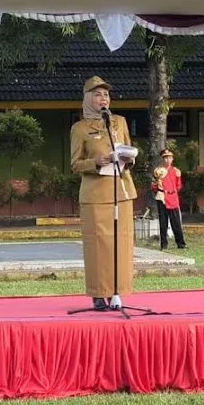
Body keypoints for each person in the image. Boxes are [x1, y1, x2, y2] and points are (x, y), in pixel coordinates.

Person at [70, 76, 137, 311]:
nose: (103, 99)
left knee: (122, 243)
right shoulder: (79, 129)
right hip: (95, 195)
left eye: (106, 95)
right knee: (98, 244)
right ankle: (99, 293)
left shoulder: (119, 122)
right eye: (97, 95)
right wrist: (96, 162)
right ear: (88, 98)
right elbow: (75, 164)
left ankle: (118, 292)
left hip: (122, 191)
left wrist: (128, 159)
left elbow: (128, 150)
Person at [151, 149, 186, 250]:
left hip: (173, 197)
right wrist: (158, 185)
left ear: (172, 159)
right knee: (163, 222)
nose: (168, 160)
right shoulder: (158, 171)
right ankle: (164, 245)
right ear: (163, 159)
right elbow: (153, 186)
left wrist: (173, 191)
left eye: (170, 157)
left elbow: (179, 185)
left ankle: (181, 244)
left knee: (176, 222)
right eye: (166, 158)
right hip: (162, 197)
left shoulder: (176, 171)